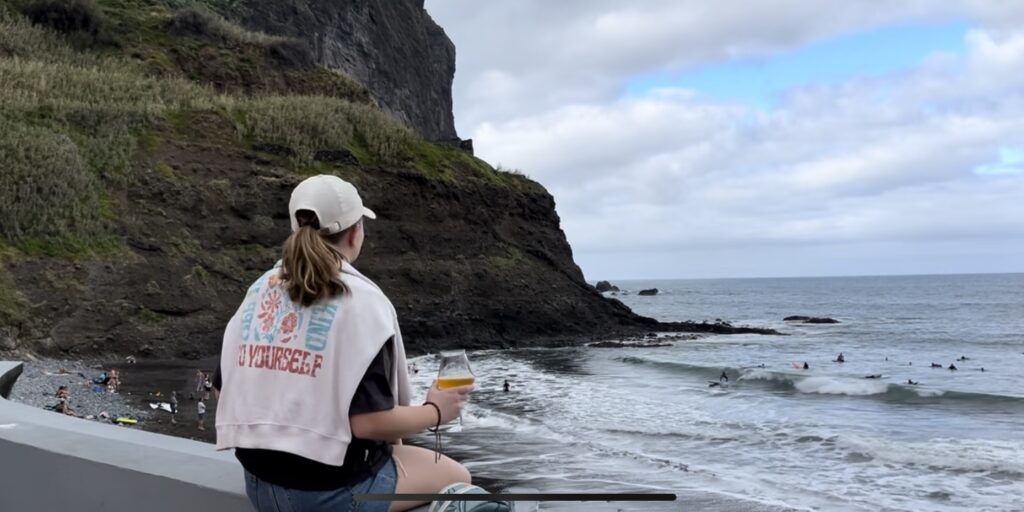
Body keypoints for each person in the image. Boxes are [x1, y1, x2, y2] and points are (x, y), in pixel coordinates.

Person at [215, 175, 473, 512]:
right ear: (355, 233)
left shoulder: (258, 290)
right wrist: (436, 411)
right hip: (330, 494)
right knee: (459, 478)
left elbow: (224, 391)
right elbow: (367, 423)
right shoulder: (361, 303)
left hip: (260, 484)